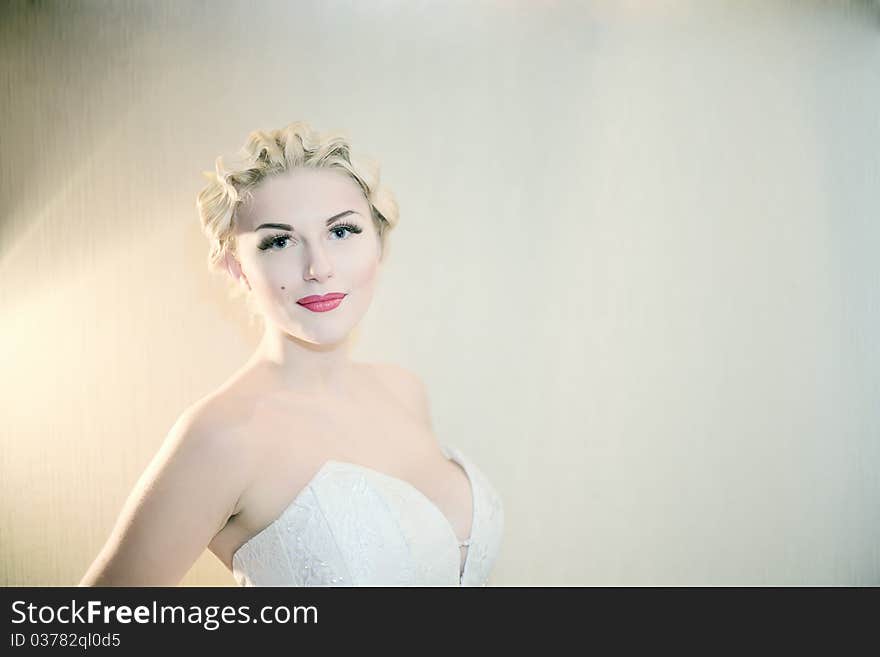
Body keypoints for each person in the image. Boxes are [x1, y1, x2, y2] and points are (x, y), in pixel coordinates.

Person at [79, 121, 504, 586]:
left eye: (341, 232)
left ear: (378, 243)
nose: (318, 268)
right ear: (235, 267)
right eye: (280, 241)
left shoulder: (405, 390)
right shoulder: (223, 436)